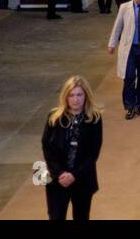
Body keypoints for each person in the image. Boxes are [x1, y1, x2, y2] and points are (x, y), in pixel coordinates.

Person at [40, 75, 103, 220]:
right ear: (65, 97)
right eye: (72, 95)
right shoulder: (54, 117)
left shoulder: (94, 119)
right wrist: (60, 173)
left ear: (86, 95)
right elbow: (47, 147)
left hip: (82, 179)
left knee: (81, 217)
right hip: (57, 180)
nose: (76, 99)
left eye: (80, 94)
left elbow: (93, 153)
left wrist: (74, 175)